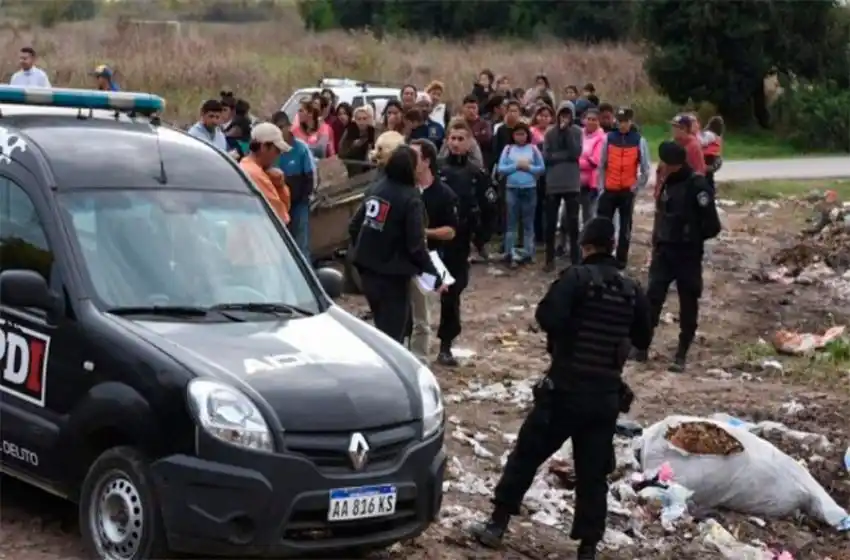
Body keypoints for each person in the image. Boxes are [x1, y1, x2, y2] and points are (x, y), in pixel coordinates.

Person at [472, 216, 653, 560]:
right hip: (604, 397)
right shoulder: (631, 289)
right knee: (593, 475)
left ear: (586, 246)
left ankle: (496, 524)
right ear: (612, 246)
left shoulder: (575, 279)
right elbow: (644, 337)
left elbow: (547, 318)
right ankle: (588, 548)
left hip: (565, 391)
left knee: (526, 456)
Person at [633, 142, 721, 372]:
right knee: (652, 298)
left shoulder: (697, 185)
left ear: (674, 164)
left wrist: (691, 236)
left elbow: (712, 225)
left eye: (663, 161)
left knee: (688, 302)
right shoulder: (668, 182)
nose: (660, 165)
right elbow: (661, 215)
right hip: (664, 251)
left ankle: (681, 353)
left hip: (687, 255)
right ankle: (642, 347)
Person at [348, 145, 447, 342]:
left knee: (381, 327)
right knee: (392, 337)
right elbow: (416, 245)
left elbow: (354, 226)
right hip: (392, 277)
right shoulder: (410, 198)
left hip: (367, 271)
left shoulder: (375, 188)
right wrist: (435, 277)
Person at [436, 120, 496, 364]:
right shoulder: (437, 170)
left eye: (461, 139)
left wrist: (480, 239)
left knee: (452, 292)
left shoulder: (476, 175)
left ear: (470, 142)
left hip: (460, 241)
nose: (457, 143)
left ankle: (446, 343)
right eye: (453, 139)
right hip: (433, 238)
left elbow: (491, 207)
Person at [408, 139, 458, 363]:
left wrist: (423, 232)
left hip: (430, 258)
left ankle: (419, 360)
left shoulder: (443, 193)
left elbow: (451, 231)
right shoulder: (405, 189)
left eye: (414, 157)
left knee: (422, 316)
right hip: (403, 258)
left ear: (427, 161)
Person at [595, 107, 651, 269]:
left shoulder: (639, 140)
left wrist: (636, 187)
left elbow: (646, 169)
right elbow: (602, 164)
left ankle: (621, 260)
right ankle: (603, 255)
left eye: (625, 122)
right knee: (604, 225)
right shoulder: (609, 138)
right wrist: (602, 186)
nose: (622, 125)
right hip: (609, 189)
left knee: (625, 227)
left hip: (627, 190)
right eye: (619, 122)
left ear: (630, 122)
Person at [497, 122, 545, 267]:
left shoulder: (533, 149)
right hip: (512, 188)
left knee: (528, 223)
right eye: (517, 134)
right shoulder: (508, 149)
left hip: (529, 188)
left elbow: (541, 168)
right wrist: (515, 166)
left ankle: (528, 253)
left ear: (527, 135)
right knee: (511, 223)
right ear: (513, 135)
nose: (520, 137)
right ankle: (508, 253)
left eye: (523, 134)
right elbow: (501, 168)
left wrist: (528, 167)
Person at [542, 101, 583, 270]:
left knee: (573, 222)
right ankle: (549, 258)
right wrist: (563, 155)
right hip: (554, 182)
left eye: (568, 114)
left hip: (572, 182)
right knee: (551, 222)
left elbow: (575, 153)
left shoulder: (577, 131)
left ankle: (575, 256)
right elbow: (547, 157)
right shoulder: (550, 132)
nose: (564, 118)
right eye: (562, 114)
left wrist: (567, 133)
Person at [272, 111, 316, 261]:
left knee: (301, 244)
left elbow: (309, 175)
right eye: (276, 127)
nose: (280, 131)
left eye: (282, 126)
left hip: (299, 203)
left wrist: (304, 198)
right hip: (280, 203)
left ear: (289, 126)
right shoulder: (274, 149)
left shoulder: (301, 148)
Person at [239, 123, 292, 226]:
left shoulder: (247, 167)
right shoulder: (255, 174)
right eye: (277, 150)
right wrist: (281, 187)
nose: (278, 155)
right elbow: (281, 217)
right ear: (264, 147)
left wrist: (279, 186)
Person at [438, 95, 486, 170]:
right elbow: (441, 158)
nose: (455, 143)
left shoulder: (472, 142)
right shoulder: (447, 142)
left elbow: (478, 164)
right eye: (453, 138)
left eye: (460, 139)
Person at [578, 108, 606, 225]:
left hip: (591, 185)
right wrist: (584, 159)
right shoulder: (579, 134)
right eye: (588, 119)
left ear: (599, 121)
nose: (590, 122)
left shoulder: (602, 138)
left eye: (594, 119)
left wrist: (576, 161)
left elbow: (594, 162)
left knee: (588, 216)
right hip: (575, 181)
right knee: (566, 215)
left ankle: (587, 241)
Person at [339, 105, 377, 177]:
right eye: (359, 119)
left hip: (370, 169)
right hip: (353, 169)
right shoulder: (350, 131)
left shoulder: (373, 131)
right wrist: (353, 146)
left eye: (364, 118)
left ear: (369, 119)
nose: (362, 122)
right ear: (355, 120)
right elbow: (341, 153)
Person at [701, 116, 725, 193]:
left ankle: (707, 190)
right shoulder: (718, 136)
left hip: (708, 157)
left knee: (705, 175)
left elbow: (702, 142)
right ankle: (711, 190)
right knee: (709, 175)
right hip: (714, 158)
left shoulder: (709, 134)